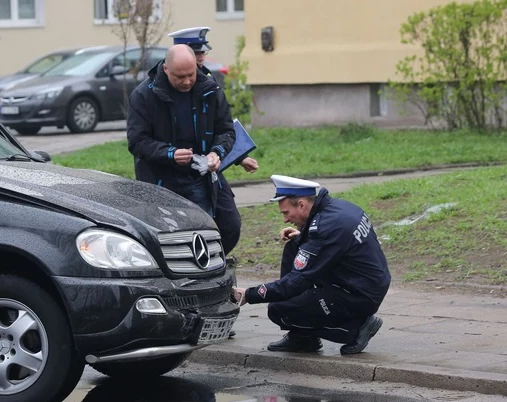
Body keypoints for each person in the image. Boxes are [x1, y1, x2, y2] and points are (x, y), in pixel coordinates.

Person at [232, 175, 391, 355]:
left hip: (358, 295)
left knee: (278, 310)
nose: (285, 220)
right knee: (293, 248)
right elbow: (332, 246)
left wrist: (250, 295)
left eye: (286, 213)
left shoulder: (326, 228)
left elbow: (297, 281)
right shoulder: (339, 207)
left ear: (301, 204)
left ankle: (356, 329)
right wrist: (303, 236)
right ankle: (303, 338)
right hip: (365, 282)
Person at [128, 44, 244, 255]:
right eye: (179, 77)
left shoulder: (210, 88)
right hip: (161, 179)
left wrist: (217, 152)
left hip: (203, 175)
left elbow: (226, 130)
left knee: (229, 226)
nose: (187, 81)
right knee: (173, 236)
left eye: (191, 74)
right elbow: (137, 142)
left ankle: (212, 266)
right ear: (166, 69)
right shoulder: (144, 95)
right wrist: (169, 154)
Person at [168, 26, 260, 176]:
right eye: (196, 52)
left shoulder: (208, 81)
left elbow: (222, 126)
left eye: (203, 52)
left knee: (226, 200)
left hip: (211, 166)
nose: (201, 57)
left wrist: (239, 156)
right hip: (181, 171)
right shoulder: (169, 88)